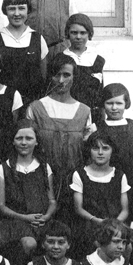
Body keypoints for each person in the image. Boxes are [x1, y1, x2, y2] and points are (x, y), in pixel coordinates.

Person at [25, 54, 95, 203]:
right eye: (57, 75)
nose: (61, 81)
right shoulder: (36, 107)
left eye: (66, 75)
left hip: (74, 182)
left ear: (74, 77)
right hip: (42, 179)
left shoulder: (84, 111)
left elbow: (90, 150)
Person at [0, 120, 57, 265]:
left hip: (41, 221)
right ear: (13, 141)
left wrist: (46, 216)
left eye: (28, 138)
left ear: (36, 142)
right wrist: (25, 217)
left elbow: (52, 200)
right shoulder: (3, 168)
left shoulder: (44, 167)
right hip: (15, 223)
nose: (24, 142)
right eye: (19, 138)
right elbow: (0, 206)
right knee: (29, 243)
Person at [71, 131, 130, 258]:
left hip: (115, 224)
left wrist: (114, 224)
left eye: (105, 148)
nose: (100, 152)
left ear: (112, 151)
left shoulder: (119, 175)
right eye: (95, 148)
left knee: (127, 245)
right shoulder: (80, 174)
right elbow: (78, 208)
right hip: (90, 223)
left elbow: (125, 209)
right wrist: (96, 220)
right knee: (94, 243)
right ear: (89, 150)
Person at [96, 83, 133, 226]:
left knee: (129, 223)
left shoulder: (132, 125)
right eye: (109, 103)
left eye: (119, 103)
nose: (114, 108)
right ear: (103, 104)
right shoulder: (98, 127)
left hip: (131, 182)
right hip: (108, 184)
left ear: (126, 104)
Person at [0, 0, 48, 105]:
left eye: (21, 8)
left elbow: (43, 76)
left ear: (28, 10)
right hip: (2, 103)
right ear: (5, 11)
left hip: (31, 103)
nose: (17, 14)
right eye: (12, 9)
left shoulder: (38, 39)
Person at [62, 13, 105, 114]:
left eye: (83, 33)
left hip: (91, 113)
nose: (78, 37)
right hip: (67, 112)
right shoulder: (62, 58)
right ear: (68, 33)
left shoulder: (97, 60)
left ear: (89, 34)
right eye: (74, 33)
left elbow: (100, 91)